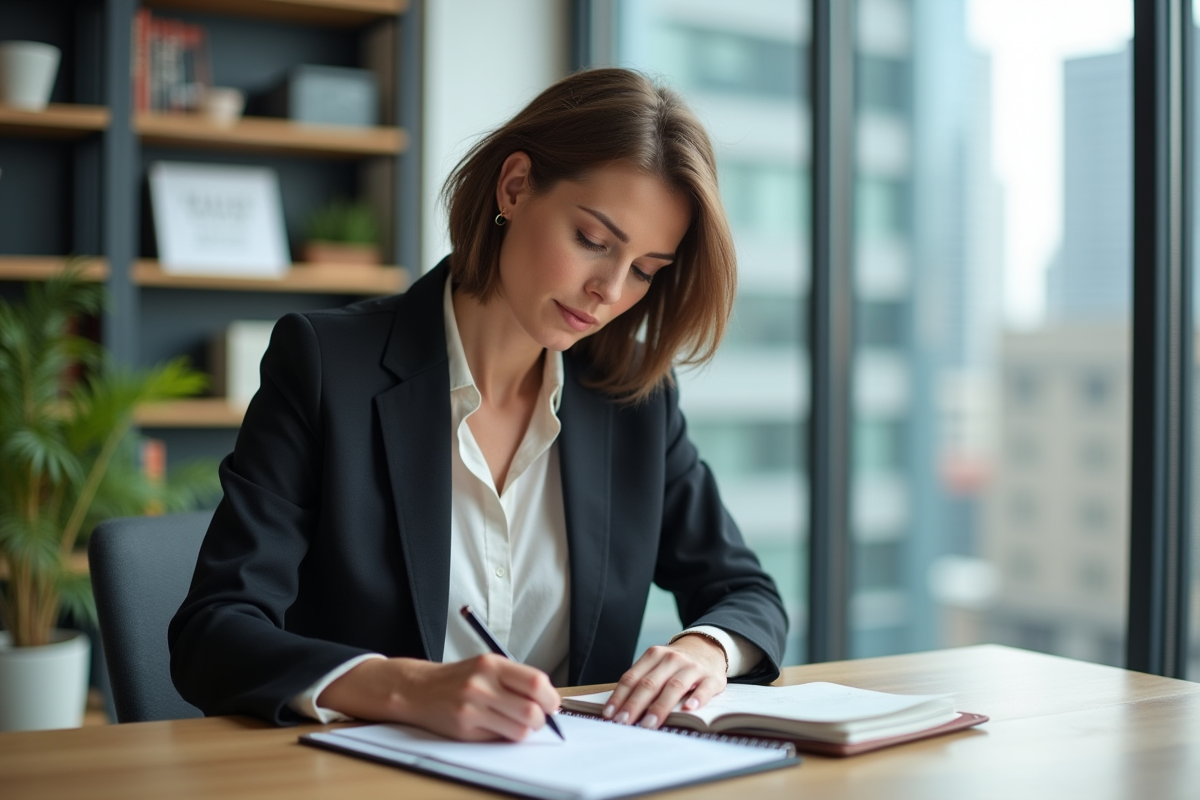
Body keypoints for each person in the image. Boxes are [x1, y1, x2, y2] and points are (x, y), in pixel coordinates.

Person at [168, 67, 787, 742]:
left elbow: (747, 595)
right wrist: (405, 688)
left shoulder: (633, 396)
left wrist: (705, 650)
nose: (609, 290)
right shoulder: (325, 365)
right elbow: (214, 632)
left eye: (645, 269)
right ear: (515, 186)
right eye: (592, 240)